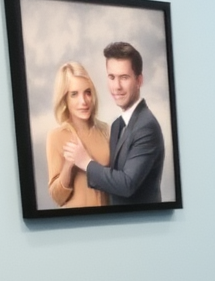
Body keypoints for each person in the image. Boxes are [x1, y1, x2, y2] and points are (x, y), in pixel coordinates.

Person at [67, 41, 165, 205]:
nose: (116, 86)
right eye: (111, 77)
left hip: (143, 225)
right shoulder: (117, 125)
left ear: (139, 81)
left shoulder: (146, 126)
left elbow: (126, 184)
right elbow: (112, 177)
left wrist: (86, 162)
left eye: (124, 78)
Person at [46, 63, 110, 208]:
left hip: (107, 222)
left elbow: (117, 182)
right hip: (75, 224)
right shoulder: (56, 136)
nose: (83, 101)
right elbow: (57, 198)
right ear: (65, 99)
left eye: (87, 92)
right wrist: (68, 166)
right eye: (74, 94)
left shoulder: (105, 130)